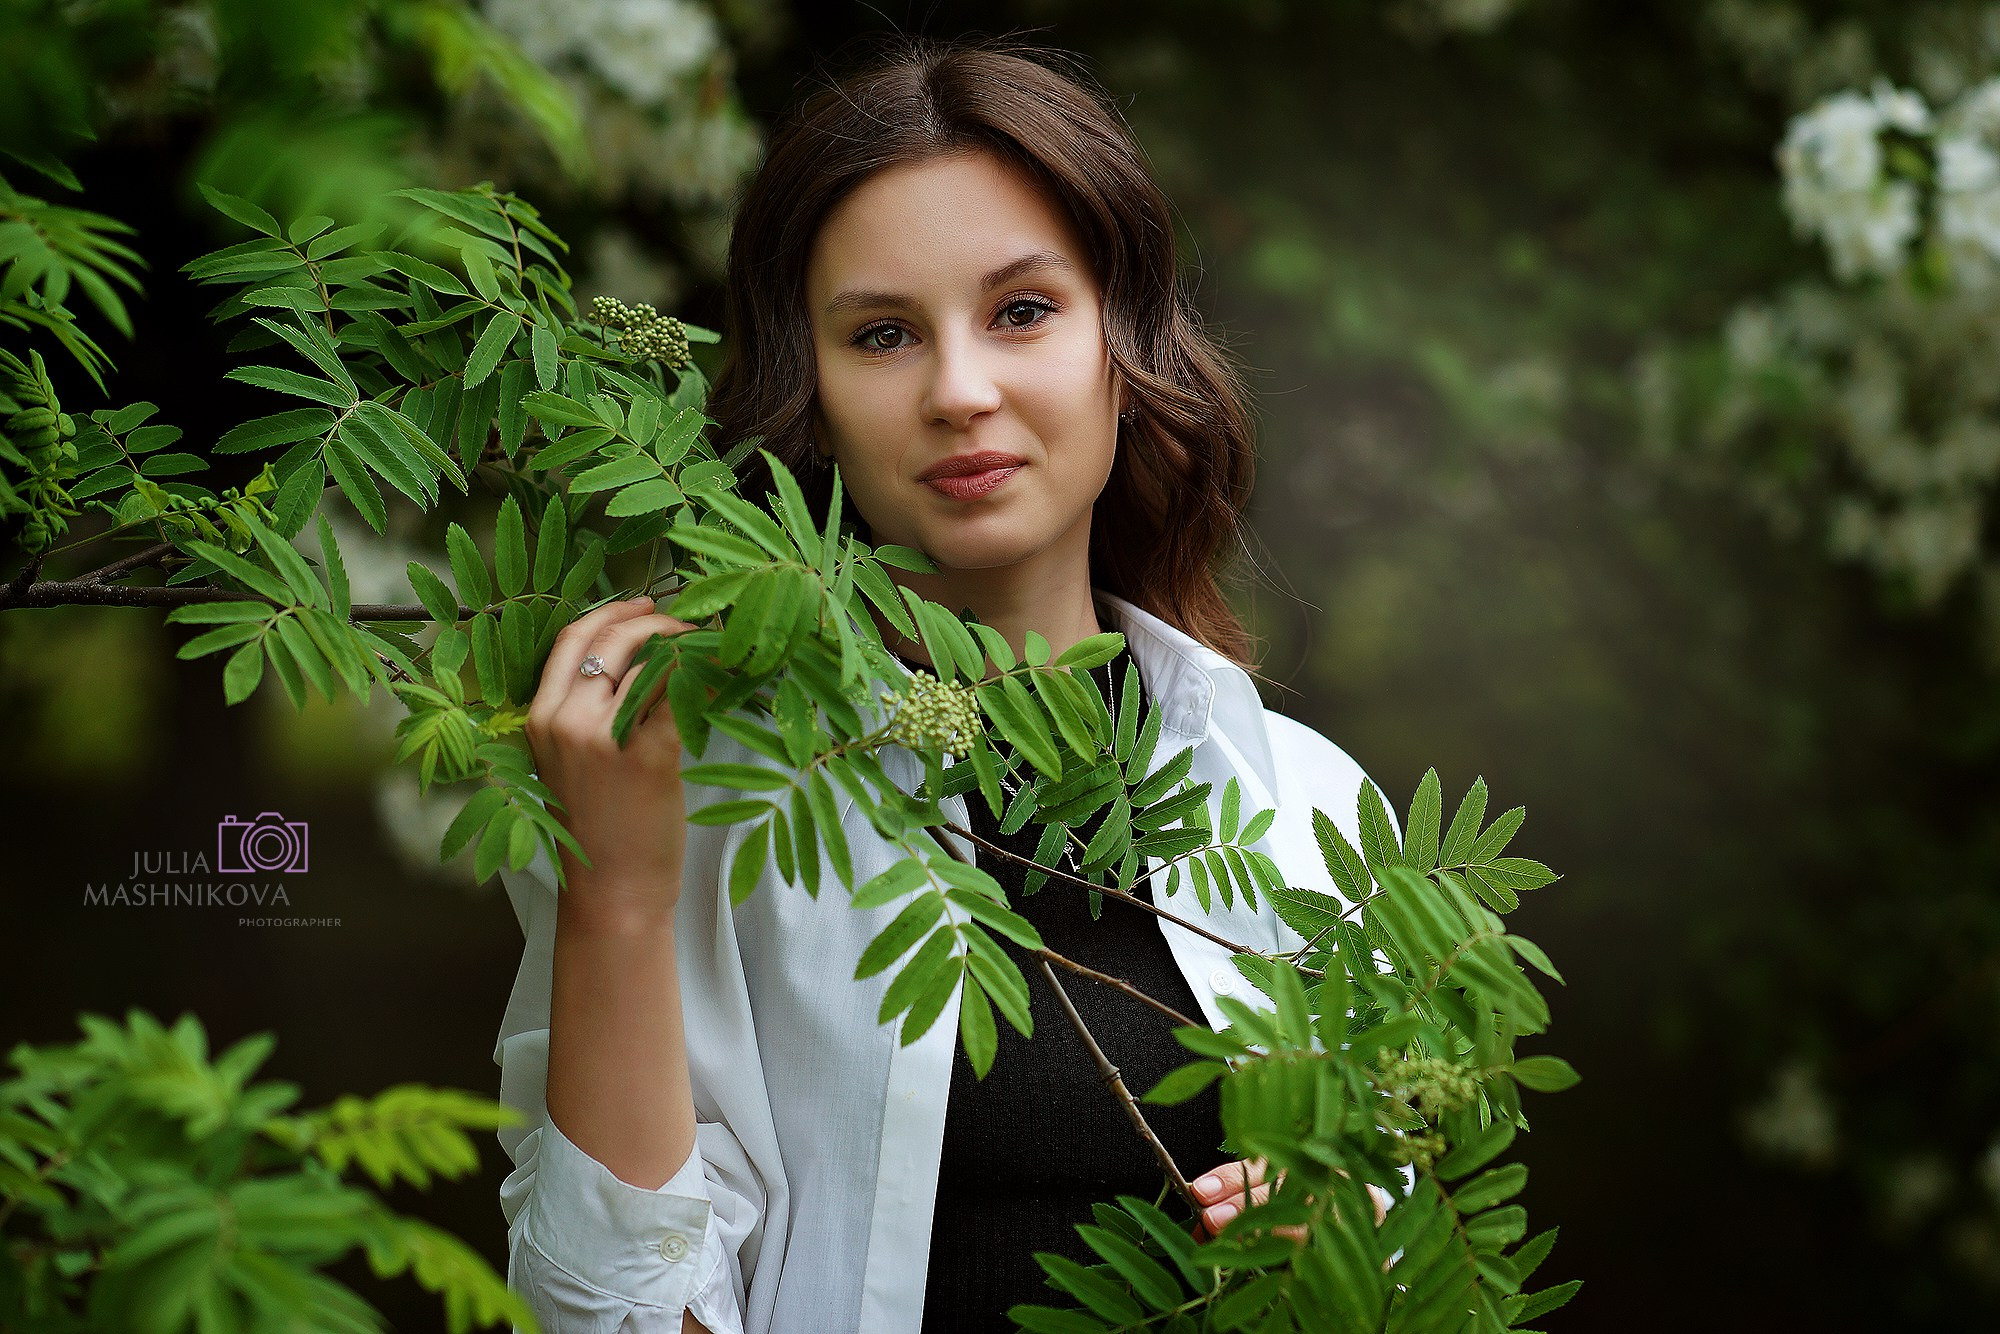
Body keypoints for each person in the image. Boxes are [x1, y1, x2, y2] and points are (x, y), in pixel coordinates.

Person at [492, 32, 1392, 1334]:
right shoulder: (688, 794)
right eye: (884, 334)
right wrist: (621, 900)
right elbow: (611, 1321)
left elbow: (1410, 1264)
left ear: (1123, 350)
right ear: (815, 397)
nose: (961, 391)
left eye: (1023, 310)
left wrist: (1351, 1255)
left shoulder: (1312, 814)